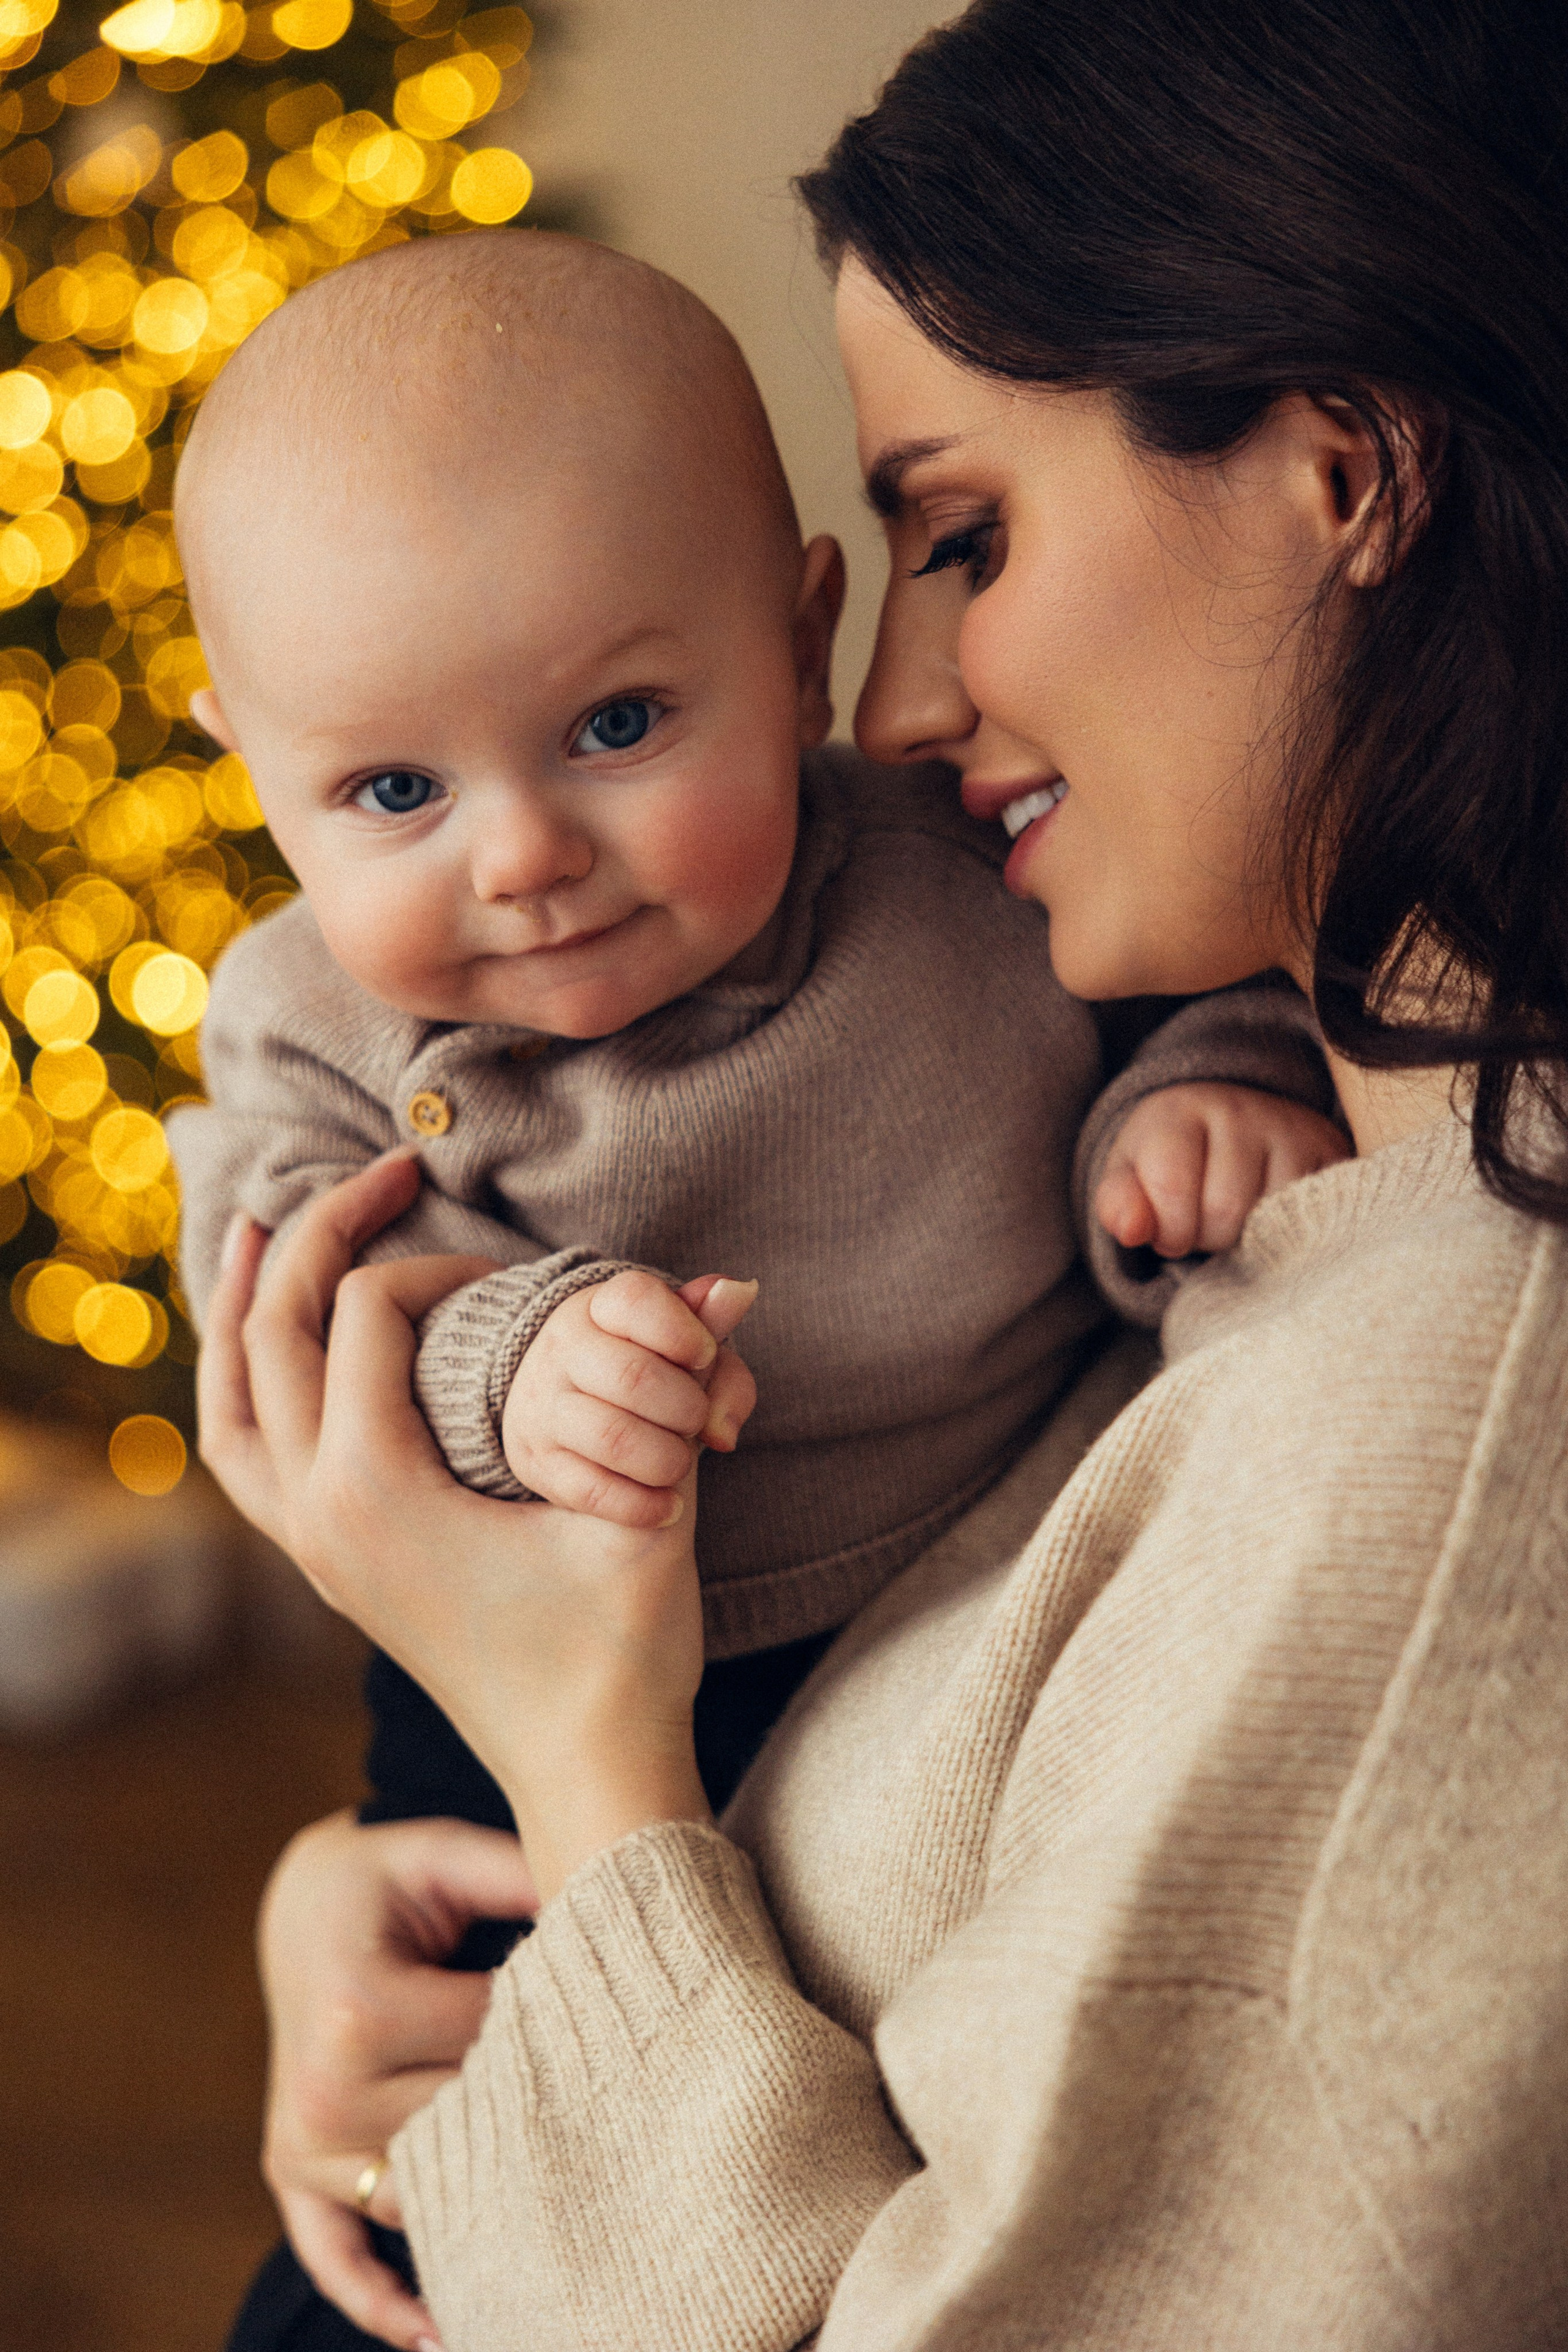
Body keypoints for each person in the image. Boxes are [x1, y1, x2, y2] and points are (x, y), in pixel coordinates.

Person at [201, 0, 1568, 2345]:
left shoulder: (1450, 1423)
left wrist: (579, 1753)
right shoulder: (1364, 1192)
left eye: (964, 532)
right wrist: (417, 1888)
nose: (899, 713)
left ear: (1347, 472)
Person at [172, 239, 1340, 2002]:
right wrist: (513, 1364)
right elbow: (294, 1322)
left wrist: (1201, 1103)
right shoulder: (304, 1022)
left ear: (799, 651)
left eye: (618, 725)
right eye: (393, 789)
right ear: (252, 771)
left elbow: (1191, 978)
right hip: (510, 1672)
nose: (522, 858)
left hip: (970, 1600)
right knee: (454, 2164)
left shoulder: (963, 867)